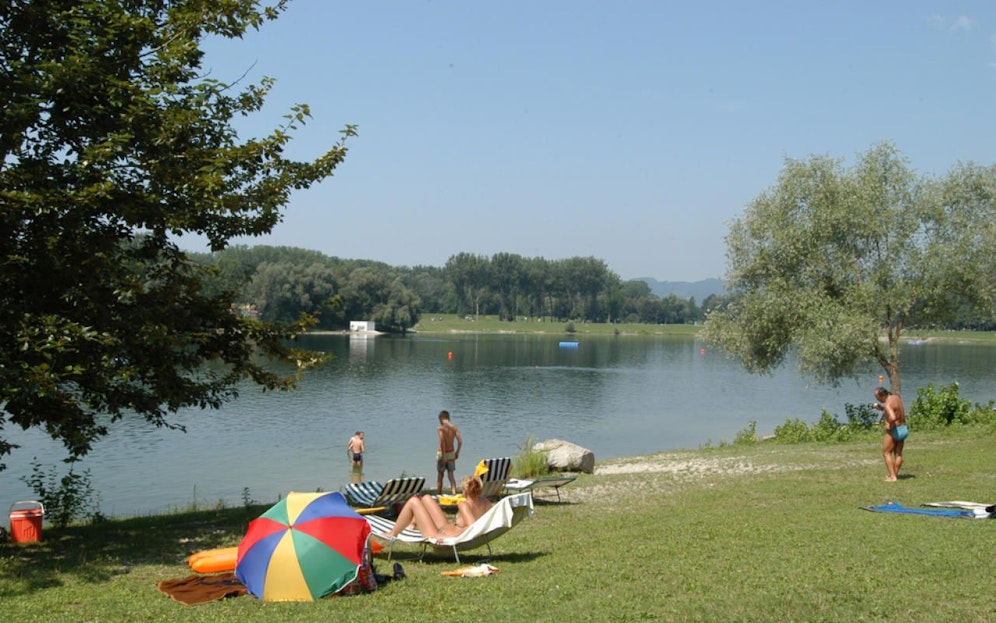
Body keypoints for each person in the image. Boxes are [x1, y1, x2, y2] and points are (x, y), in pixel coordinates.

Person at [386, 475, 491, 540]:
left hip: (440, 535)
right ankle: (412, 523)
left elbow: (472, 527)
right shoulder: (486, 502)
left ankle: (393, 533)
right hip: (446, 528)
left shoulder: (464, 505)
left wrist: (448, 538)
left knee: (413, 501)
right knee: (426, 498)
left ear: (465, 490)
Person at [873, 387, 907, 482]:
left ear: (882, 395)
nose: (877, 399)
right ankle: (894, 474)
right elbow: (894, 409)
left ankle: (893, 477)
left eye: (877, 397)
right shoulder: (896, 398)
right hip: (903, 429)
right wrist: (882, 408)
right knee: (898, 453)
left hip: (894, 430)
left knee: (886, 453)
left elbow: (892, 416)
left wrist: (889, 424)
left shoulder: (888, 404)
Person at [436, 410, 463, 494]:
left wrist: (444, 456)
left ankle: (439, 494)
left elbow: (442, 442)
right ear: (448, 418)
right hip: (451, 453)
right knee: (451, 476)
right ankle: (454, 493)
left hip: (442, 453)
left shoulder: (440, 428)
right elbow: (460, 441)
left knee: (440, 476)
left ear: (441, 418)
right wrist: (457, 452)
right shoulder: (454, 428)